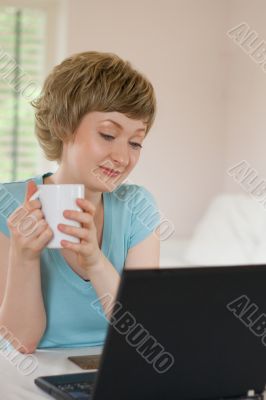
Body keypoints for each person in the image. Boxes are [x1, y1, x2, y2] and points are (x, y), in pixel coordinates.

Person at [0, 51, 161, 354]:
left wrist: (95, 261)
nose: (123, 158)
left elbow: (142, 335)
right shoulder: (7, 205)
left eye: (135, 142)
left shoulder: (138, 207)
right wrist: (25, 256)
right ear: (63, 126)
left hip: (114, 371)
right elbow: (20, 341)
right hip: (34, 372)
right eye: (108, 134)